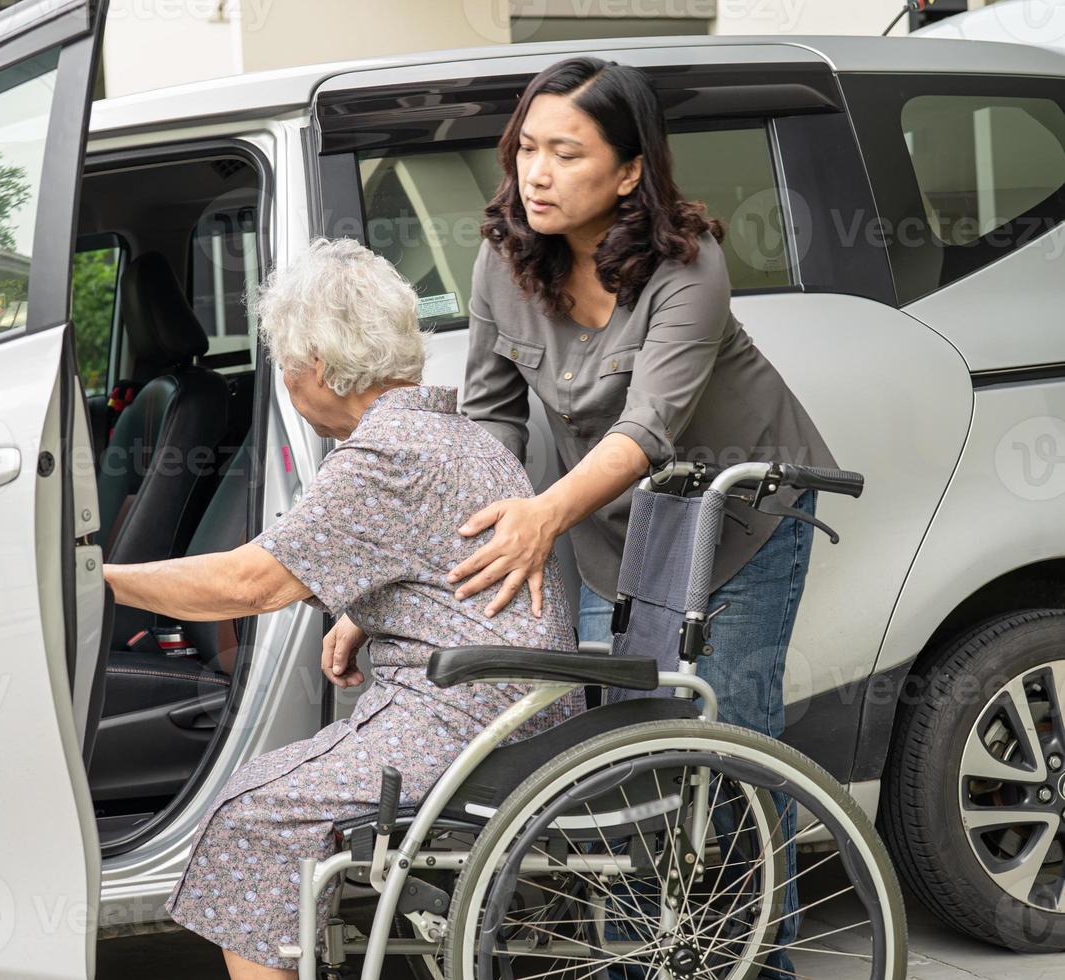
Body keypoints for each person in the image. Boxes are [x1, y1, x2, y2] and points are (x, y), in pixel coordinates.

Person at [435, 55, 837, 977]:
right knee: (621, 758)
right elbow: (492, 416)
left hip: (737, 518)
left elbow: (647, 427)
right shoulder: (504, 259)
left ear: (628, 171)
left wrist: (539, 516)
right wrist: (444, 546)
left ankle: (755, 961)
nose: (535, 172)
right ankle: (638, 963)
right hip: (612, 531)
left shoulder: (685, 268)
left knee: (725, 744)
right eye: (526, 148)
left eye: (565, 153)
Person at [103, 236, 584, 980]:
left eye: (288, 367)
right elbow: (429, 559)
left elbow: (248, 586)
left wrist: (99, 579)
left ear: (319, 368)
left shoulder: (387, 454)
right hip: (495, 700)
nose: (289, 384)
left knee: (254, 818)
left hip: (468, 716)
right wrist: (367, 605)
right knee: (263, 793)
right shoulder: (448, 435)